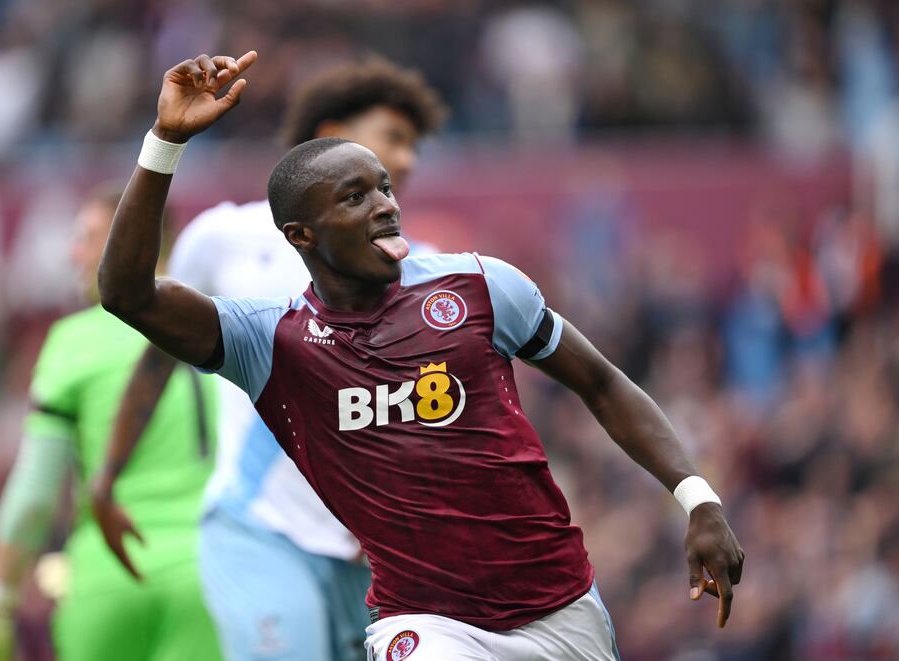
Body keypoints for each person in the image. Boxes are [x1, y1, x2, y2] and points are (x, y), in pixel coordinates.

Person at [98, 52, 744, 660]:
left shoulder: (480, 287)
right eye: (355, 198)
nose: (385, 205)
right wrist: (165, 140)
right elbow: (127, 294)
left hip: (559, 607)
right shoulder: (270, 338)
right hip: (423, 622)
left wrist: (699, 500)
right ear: (302, 234)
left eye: (383, 188)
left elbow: (602, 384)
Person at [91, 56, 446, 660]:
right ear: (331, 131)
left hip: (377, 554)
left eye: (412, 148)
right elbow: (154, 358)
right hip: (259, 531)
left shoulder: (426, 272)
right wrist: (106, 479)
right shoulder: (227, 238)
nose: (406, 161)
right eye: (393, 138)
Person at [0, 187, 223, 661]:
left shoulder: (75, 341)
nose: (74, 253)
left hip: (109, 575)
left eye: (88, 237)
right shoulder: (223, 324)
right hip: (213, 575)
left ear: (131, 238)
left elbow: (34, 494)